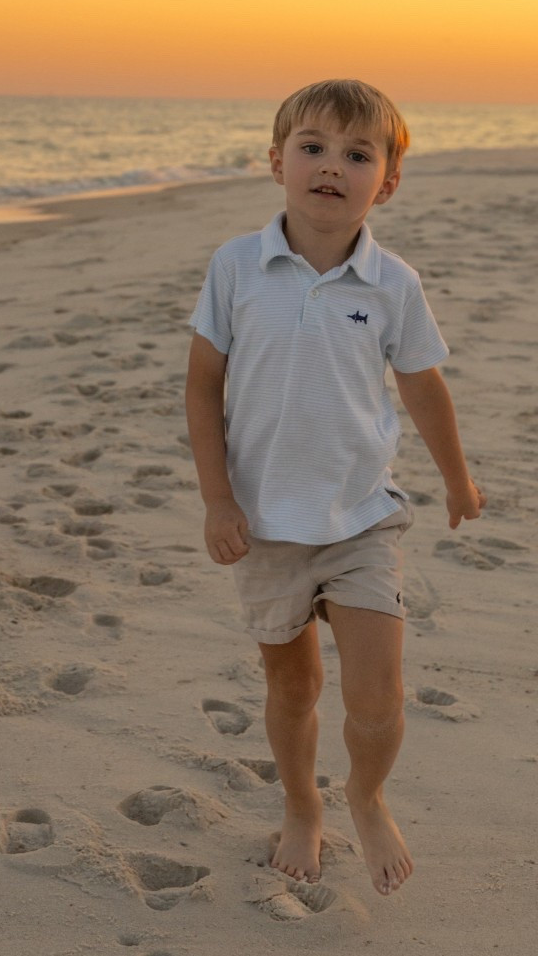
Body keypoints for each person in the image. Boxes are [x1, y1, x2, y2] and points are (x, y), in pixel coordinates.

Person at [184, 79, 484, 897]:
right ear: (275, 161)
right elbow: (203, 386)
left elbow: (422, 386)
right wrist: (217, 499)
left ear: (386, 183)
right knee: (294, 687)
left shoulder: (393, 284)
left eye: (356, 155)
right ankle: (301, 805)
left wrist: (456, 479)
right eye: (312, 147)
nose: (330, 166)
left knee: (378, 694)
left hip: (360, 519)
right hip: (264, 524)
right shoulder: (237, 266)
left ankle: (366, 795)